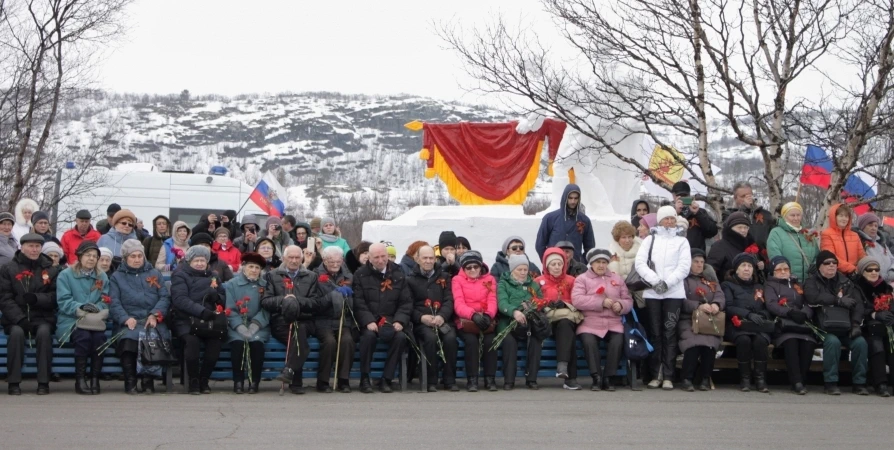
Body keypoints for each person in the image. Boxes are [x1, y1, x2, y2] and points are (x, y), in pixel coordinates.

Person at [635, 205, 691, 390]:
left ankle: (668, 375)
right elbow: (640, 263)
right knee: (655, 333)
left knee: (669, 332)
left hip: (673, 293)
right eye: (666, 219)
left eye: (672, 219)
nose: (669, 222)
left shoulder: (682, 242)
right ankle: (654, 374)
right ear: (659, 220)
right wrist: (655, 281)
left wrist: (667, 283)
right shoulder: (649, 240)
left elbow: (684, 266)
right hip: (653, 293)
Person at [108, 239, 170, 394]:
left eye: (139, 256)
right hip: (129, 320)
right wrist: (125, 318)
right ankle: (131, 381)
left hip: (151, 319)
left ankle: (148, 381)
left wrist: (154, 315)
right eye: (132, 256)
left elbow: (164, 297)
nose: (136, 259)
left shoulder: (154, 273)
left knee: (152, 338)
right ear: (125, 258)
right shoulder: (117, 277)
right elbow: (114, 302)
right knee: (129, 340)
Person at [0, 233, 60, 395]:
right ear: (22, 247)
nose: (34, 250)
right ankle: (13, 381)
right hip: (16, 318)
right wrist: (19, 319)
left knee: (44, 333)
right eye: (31, 246)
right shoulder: (9, 269)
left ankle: (43, 381)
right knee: (17, 334)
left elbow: (55, 297)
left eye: (37, 246)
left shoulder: (50, 269)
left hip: (42, 317)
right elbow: (4, 298)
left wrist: (36, 299)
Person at [803, 250, 869, 395]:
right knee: (833, 342)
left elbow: (858, 305)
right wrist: (837, 300)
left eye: (834, 263)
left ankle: (860, 383)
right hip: (822, 327)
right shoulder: (811, 281)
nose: (831, 266)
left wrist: (856, 323)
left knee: (860, 343)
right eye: (827, 263)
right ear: (820, 266)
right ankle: (830, 382)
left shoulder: (846, 282)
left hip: (846, 326)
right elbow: (812, 297)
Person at [262, 245, 324, 394]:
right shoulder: (272, 275)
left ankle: (289, 371)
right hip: (281, 320)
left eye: (297, 258)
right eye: (291, 257)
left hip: (304, 319)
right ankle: (295, 382)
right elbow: (266, 301)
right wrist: (285, 301)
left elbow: (315, 303)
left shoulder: (311, 276)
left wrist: (297, 301)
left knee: (300, 330)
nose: (294, 261)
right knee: (298, 337)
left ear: (302, 259)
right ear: (284, 258)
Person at [353, 243, 413, 393]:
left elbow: (406, 302)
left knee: (400, 338)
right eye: (376, 257)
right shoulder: (360, 274)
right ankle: (365, 378)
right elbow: (358, 302)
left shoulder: (399, 274)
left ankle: (387, 378)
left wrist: (399, 320)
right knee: (368, 337)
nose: (380, 260)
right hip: (370, 320)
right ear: (369, 258)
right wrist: (368, 321)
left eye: (383, 256)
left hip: (391, 318)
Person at [572, 248, 633, 391]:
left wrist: (621, 305)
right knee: (589, 341)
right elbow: (577, 300)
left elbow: (628, 300)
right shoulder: (582, 279)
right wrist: (600, 302)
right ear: (591, 264)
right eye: (598, 262)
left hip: (613, 322)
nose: (601, 265)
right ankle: (596, 377)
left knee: (617, 341)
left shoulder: (616, 279)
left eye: (604, 262)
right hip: (589, 322)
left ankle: (608, 377)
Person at [170, 245, 227, 394]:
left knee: (215, 344)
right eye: (197, 260)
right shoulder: (180, 275)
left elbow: (223, 297)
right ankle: (193, 380)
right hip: (186, 320)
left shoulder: (213, 276)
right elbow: (180, 299)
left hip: (210, 321)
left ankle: (204, 379)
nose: (200, 263)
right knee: (192, 343)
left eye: (203, 260)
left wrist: (218, 298)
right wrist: (201, 311)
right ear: (189, 261)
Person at [55, 241, 110, 395]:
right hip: (71, 320)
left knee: (99, 338)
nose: (91, 259)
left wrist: (97, 308)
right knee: (83, 336)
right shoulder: (65, 275)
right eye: (88, 255)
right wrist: (81, 308)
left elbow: (105, 299)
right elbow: (63, 301)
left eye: (95, 256)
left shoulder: (102, 276)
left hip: (95, 320)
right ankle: (80, 379)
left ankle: (94, 378)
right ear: (79, 256)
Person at [407, 245, 458, 392]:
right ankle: (431, 380)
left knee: (450, 338)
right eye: (425, 258)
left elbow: (449, 300)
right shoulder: (410, 279)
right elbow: (407, 305)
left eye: (431, 258)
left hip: (442, 319)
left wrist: (442, 316)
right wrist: (421, 317)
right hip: (422, 322)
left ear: (435, 259)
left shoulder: (445, 277)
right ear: (417, 259)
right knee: (430, 338)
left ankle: (449, 380)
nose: (428, 261)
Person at [764, 256, 815, 395]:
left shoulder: (797, 284)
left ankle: (802, 379)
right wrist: (789, 312)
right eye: (779, 269)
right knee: (791, 341)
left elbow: (808, 302)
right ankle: (796, 381)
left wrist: (805, 314)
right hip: (784, 323)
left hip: (801, 323)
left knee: (808, 343)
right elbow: (771, 304)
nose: (783, 271)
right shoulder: (770, 285)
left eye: (786, 268)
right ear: (773, 271)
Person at [722, 253, 772, 393]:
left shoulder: (759, 286)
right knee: (744, 340)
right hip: (737, 324)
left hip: (758, 325)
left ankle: (760, 379)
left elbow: (768, 307)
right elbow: (729, 307)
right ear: (736, 269)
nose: (746, 269)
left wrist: (762, 315)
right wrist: (747, 314)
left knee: (760, 341)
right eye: (743, 265)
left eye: (749, 266)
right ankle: (745, 379)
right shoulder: (728, 285)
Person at [677, 248, 725, 392]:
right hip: (688, 320)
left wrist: (716, 305)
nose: (699, 265)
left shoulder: (710, 280)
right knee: (693, 344)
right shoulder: (682, 280)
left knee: (710, 345)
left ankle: (705, 378)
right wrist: (698, 306)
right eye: (695, 262)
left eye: (702, 262)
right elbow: (680, 300)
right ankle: (687, 378)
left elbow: (720, 295)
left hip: (710, 321)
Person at [223, 252, 271, 394]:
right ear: (244, 267)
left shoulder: (265, 285)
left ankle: (254, 382)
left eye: (257, 268)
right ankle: (238, 381)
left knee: (256, 345)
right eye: (251, 266)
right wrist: (240, 326)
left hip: (258, 326)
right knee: (238, 345)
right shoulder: (232, 284)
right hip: (236, 325)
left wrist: (254, 325)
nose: (254, 270)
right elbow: (230, 308)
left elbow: (267, 309)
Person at [313, 246, 359, 393]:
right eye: (331, 261)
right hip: (322, 320)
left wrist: (349, 298)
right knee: (329, 342)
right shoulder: (315, 276)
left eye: (338, 261)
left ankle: (343, 380)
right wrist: (333, 295)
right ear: (324, 260)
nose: (335, 264)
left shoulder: (348, 276)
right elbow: (315, 304)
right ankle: (323, 380)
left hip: (342, 320)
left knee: (347, 341)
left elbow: (356, 301)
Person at [497, 254, 546, 390]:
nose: (523, 273)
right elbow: (502, 302)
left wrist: (533, 305)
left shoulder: (533, 284)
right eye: (520, 270)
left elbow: (541, 301)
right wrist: (514, 311)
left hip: (529, 323)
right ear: (513, 270)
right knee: (509, 342)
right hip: (508, 323)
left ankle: (531, 379)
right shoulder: (503, 284)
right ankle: (509, 380)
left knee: (536, 340)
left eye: (525, 269)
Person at [452, 250, 498, 392]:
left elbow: (492, 299)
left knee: (490, 341)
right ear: (463, 268)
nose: (472, 270)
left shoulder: (490, 279)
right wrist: (472, 315)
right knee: (471, 341)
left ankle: (490, 379)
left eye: (475, 267)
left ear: (480, 266)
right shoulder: (457, 280)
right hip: (467, 320)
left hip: (485, 318)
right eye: (468, 267)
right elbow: (458, 303)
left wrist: (489, 315)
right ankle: (472, 379)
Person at [535, 247, 581, 390]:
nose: (556, 267)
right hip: (546, 319)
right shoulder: (538, 281)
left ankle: (565, 370)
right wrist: (545, 304)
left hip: (565, 319)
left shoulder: (572, 280)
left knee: (566, 327)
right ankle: (569, 375)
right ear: (546, 265)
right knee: (567, 332)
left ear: (564, 265)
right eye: (553, 264)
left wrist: (565, 303)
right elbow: (533, 300)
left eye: (559, 264)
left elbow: (578, 300)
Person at [853, 256, 894, 397]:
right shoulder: (856, 287)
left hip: (885, 326)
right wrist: (874, 314)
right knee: (877, 347)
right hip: (867, 326)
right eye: (869, 270)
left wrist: (889, 314)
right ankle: (880, 383)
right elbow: (857, 308)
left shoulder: (885, 287)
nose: (874, 272)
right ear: (862, 272)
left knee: (892, 345)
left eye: (876, 269)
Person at [535, 184, 595, 262]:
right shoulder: (550, 218)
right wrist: (547, 261)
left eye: (576, 198)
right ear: (565, 197)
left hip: (575, 267)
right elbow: (540, 244)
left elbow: (590, 247)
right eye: (570, 198)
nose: (573, 201)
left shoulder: (584, 220)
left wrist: (582, 262)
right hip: (554, 265)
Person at [767, 202, 820, 283]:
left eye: (798, 215)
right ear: (784, 217)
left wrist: (816, 265)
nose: (796, 218)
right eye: (792, 215)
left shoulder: (807, 234)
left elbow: (817, 255)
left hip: (809, 282)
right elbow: (775, 256)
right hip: (787, 282)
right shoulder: (776, 233)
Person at [707, 212, 764, 283]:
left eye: (745, 227)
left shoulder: (751, 246)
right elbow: (711, 271)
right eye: (739, 227)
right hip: (726, 289)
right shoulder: (720, 246)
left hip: (750, 290)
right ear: (731, 228)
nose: (743, 230)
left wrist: (759, 267)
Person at [722, 181, 775, 249]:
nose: (748, 198)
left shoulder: (765, 214)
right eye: (743, 196)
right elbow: (728, 234)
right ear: (735, 198)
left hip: (763, 255)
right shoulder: (728, 215)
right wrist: (744, 209)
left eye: (750, 195)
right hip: (740, 254)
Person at [670, 181, 718, 251]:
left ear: (689, 195)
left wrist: (697, 213)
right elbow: (662, 233)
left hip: (695, 255)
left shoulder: (700, 211)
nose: (683, 199)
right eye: (680, 196)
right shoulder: (667, 211)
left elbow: (712, 231)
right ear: (674, 196)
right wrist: (675, 212)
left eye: (685, 196)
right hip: (675, 253)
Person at [820, 204, 865, 276]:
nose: (844, 219)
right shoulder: (827, 234)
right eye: (841, 216)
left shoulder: (855, 235)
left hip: (854, 274)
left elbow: (862, 256)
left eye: (846, 216)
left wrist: (866, 266)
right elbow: (830, 257)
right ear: (834, 217)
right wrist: (852, 268)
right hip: (835, 275)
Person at [855, 213, 894, 283]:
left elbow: (892, 259)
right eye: (870, 225)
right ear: (862, 226)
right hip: (872, 285)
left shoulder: (881, 243)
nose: (874, 228)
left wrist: (892, 270)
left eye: (876, 226)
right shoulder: (859, 243)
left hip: (889, 284)